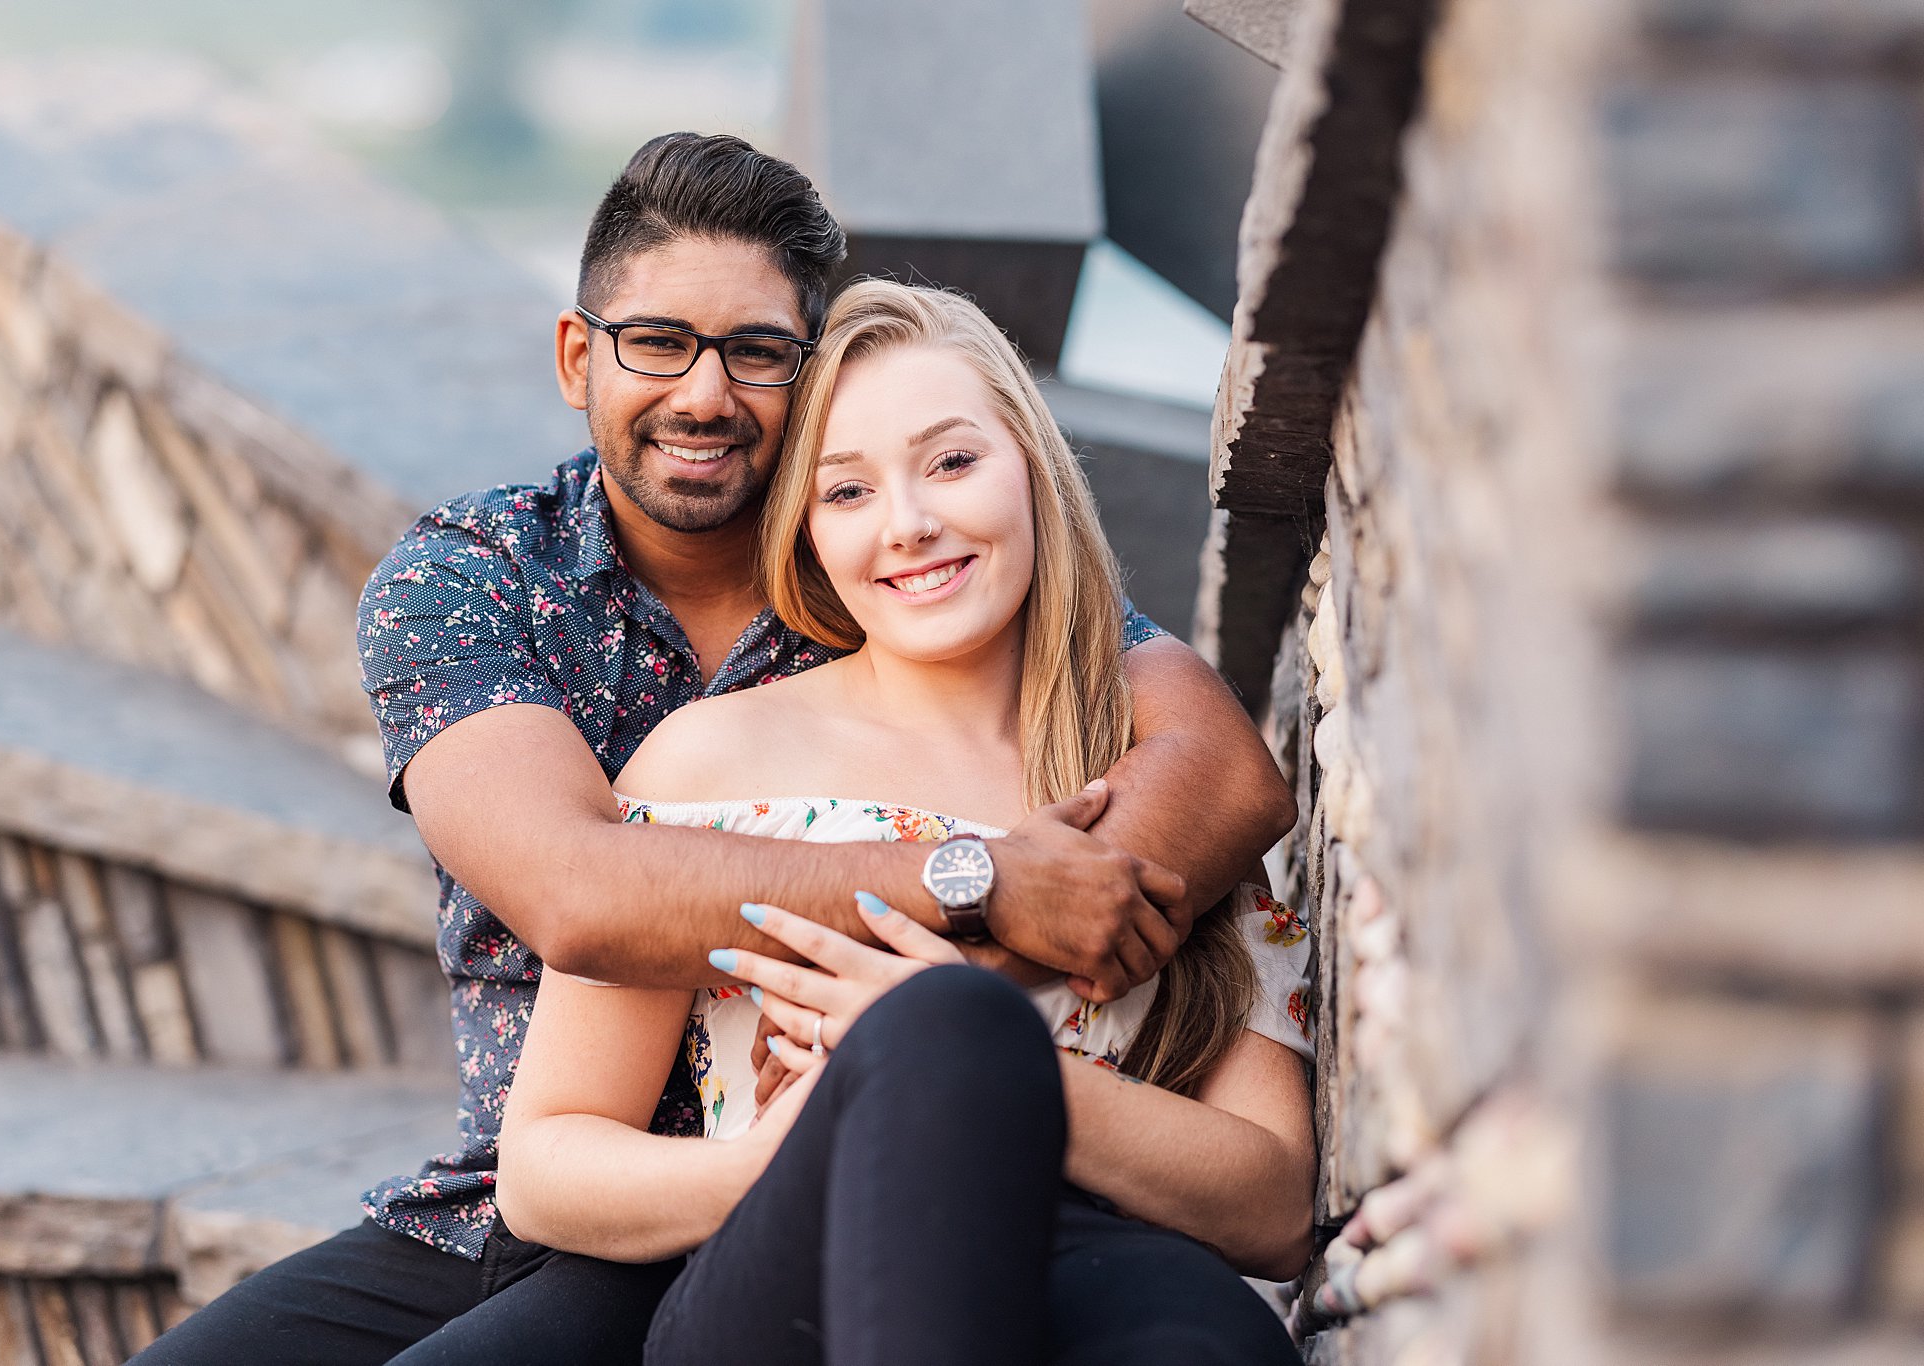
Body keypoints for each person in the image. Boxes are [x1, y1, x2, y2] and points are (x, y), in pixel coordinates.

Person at [132, 134, 1299, 1366]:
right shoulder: (476, 581)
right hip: (549, 1202)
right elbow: (581, 897)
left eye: (754, 352)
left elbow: (1212, 763)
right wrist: (982, 899)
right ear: (582, 354)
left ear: (806, 377)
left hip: (888, 1201)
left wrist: (961, 1046)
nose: (702, 393)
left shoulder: (914, 577)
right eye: (657, 343)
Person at [495, 280, 1315, 1366]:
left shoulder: (1153, 788)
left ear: (1031, 467)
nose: (908, 523)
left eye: (952, 461)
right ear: (808, 537)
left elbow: (1274, 1205)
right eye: (847, 492)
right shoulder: (708, 760)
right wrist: (783, 1148)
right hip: (792, 1254)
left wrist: (976, 1055)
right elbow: (545, 1163)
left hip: (1092, 1254)